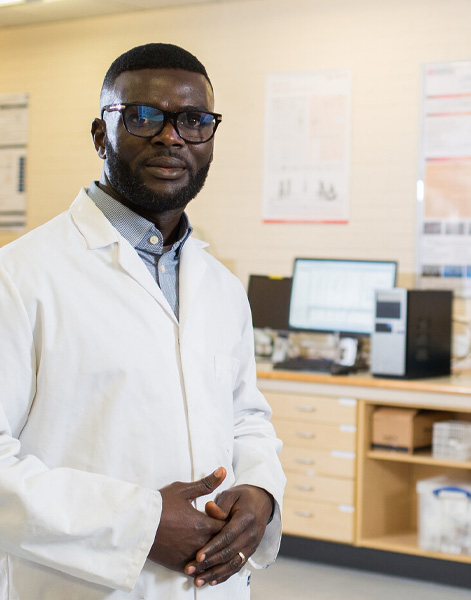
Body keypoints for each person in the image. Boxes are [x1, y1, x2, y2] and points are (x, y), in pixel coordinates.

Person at [0, 43, 286, 600]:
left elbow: (247, 419)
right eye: (143, 115)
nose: (171, 136)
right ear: (100, 134)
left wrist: (261, 491)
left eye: (194, 120)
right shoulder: (19, 276)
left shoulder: (221, 286)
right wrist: (138, 522)